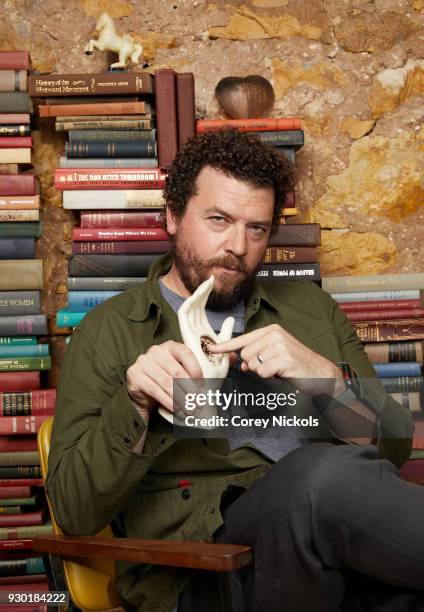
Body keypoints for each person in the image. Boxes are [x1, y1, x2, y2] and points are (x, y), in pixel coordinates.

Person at [47, 129, 423, 612]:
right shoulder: (109, 331)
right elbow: (74, 512)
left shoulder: (310, 309)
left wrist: (326, 379)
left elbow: (391, 448)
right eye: (219, 220)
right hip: (208, 573)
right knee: (319, 477)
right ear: (173, 216)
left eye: (257, 229)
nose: (238, 246)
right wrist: (138, 406)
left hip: (333, 565)